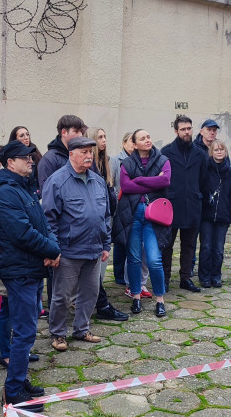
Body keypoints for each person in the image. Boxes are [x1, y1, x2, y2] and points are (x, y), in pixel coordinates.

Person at [0, 141, 60, 412]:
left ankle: (20, 380)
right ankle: (13, 392)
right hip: (19, 271)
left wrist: (54, 247)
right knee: (25, 332)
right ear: (9, 163)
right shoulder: (6, 193)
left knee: (27, 332)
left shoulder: (22, 188)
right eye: (24, 158)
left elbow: (42, 223)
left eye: (30, 157)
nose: (31, 161)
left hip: (31, 268)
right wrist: (51, 249)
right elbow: (22, 232)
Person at [43, 136, 111, 350]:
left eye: (90, 152)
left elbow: (105, 215)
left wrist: (106, 244)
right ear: (71, 154)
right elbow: (48, 220)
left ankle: (82, 329)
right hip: (69, 251)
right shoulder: (57, 181)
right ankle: (58, 333)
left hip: (94, 250)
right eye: (84, 152)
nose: (89, 155)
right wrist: (54, 250)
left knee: (90, 294)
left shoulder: (97, 180)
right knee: (62, 296)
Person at [114, 129, 171, 317]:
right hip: (133, 215)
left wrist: (138, 179)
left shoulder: (163, 160)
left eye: (148, 136)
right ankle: (136, 296)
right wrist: (151, 182)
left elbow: (165, 180)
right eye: (142, 138)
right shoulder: (128, 162)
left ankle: (160, 300)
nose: (147, 140)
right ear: (135, 143)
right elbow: (126, 186)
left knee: (154, 260)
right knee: (134, 258)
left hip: (154, 217)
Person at [160, 115, 210, 293]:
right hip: (172, 206)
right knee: (167, 245)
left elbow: (204, 179)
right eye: (183, 129)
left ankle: (185, 278)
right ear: (176, 131)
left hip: (193, 205)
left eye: (189, 128)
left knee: (189, 245)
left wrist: (198, 195)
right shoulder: (166, 153)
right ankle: (164, 279)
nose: (187, 132)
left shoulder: (200, 153)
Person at [86, 128, 128, 323]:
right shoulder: (89, 166)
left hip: (107, 218)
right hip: (93, 222)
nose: (103, 140)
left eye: (105, 136)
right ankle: (97, 303)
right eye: (100, 137)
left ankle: (96, 300)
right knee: (93, 265)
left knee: (102, 262)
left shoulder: (107, 163)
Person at [110, 132, 151, 298]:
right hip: (124, 207)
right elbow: (116, 185)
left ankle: (140, 283)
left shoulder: (150, 161)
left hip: (144, 208)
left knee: (144, 250)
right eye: (131, 141)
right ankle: (127, 282)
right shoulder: (117, 161)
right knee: (128, 248)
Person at [198, 140, 231, 288]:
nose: (219, 152)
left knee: (218, 249)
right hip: (207, 215)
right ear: (211, 152)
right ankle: (204, 276)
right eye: (216, 150)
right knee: (206, 246)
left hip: (223, 215)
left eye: (222, 149)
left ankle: (216, 275)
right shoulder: (206, 168)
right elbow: (201, 188)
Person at [37, 114, 88, 189]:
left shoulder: (86, 155)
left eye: (81, 131)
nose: (80, 135)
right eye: (76, 131)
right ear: (64, 132)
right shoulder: (49, 160)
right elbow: (47, 191)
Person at [8, 126, 43, 198]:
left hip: (35, 193)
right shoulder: (10, 154)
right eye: (22, 136)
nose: (26, 137)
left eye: (27, 134)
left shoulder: (35, 152)